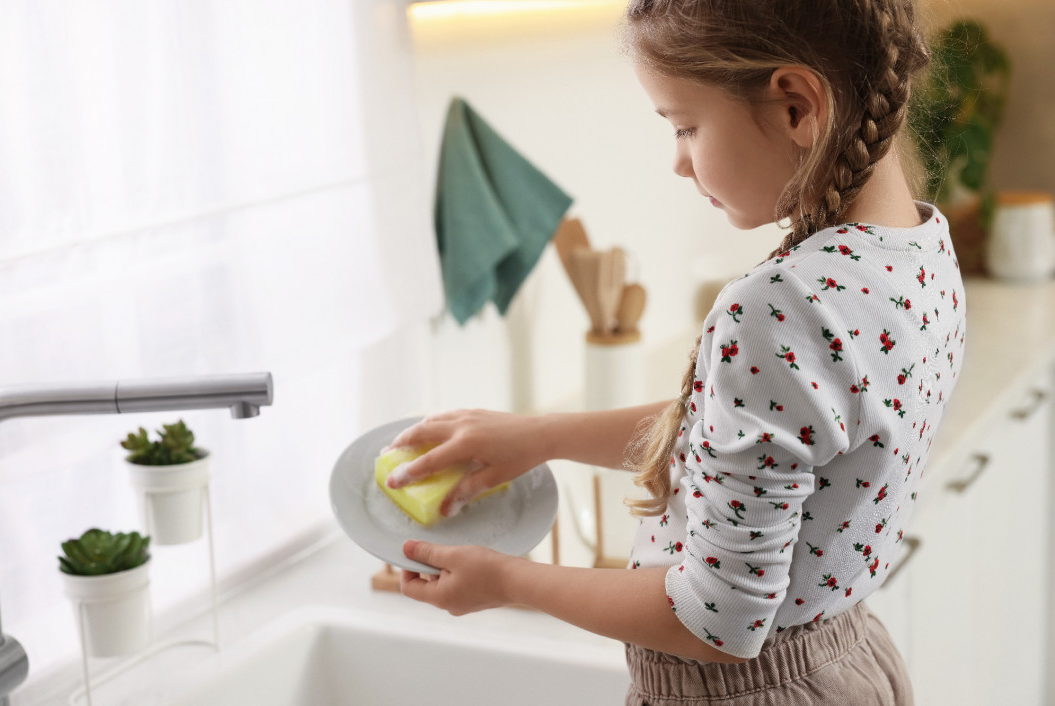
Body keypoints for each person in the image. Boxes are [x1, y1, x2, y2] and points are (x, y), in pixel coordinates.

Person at [384, 1, 964, 703]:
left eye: (686, 126)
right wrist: (539, 436)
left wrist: (506, 580)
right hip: (847, 663)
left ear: (796, 106)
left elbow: (715, 622)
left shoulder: (778, 306)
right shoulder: (917, 245)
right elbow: (767, 435)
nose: (679, 162)